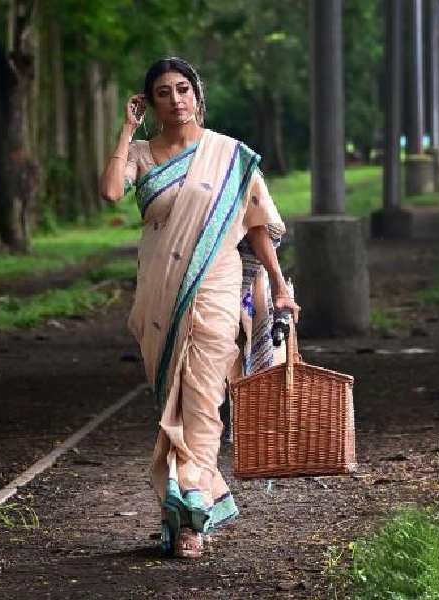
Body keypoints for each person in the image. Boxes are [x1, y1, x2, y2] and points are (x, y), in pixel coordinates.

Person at [99, 57, 299, 559]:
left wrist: (279, 286)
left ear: (197, 95)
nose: (175, 99)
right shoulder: (143, 153)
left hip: (214, 284)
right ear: (151, 101)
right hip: (160, 294)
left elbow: (256, 225)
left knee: (204, 398)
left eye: (183, 89)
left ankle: (194, 517)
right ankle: (179, 509)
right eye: (163, 92)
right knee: (172, 398)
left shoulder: (229, 156)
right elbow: (109, 192)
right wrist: (127, 127)